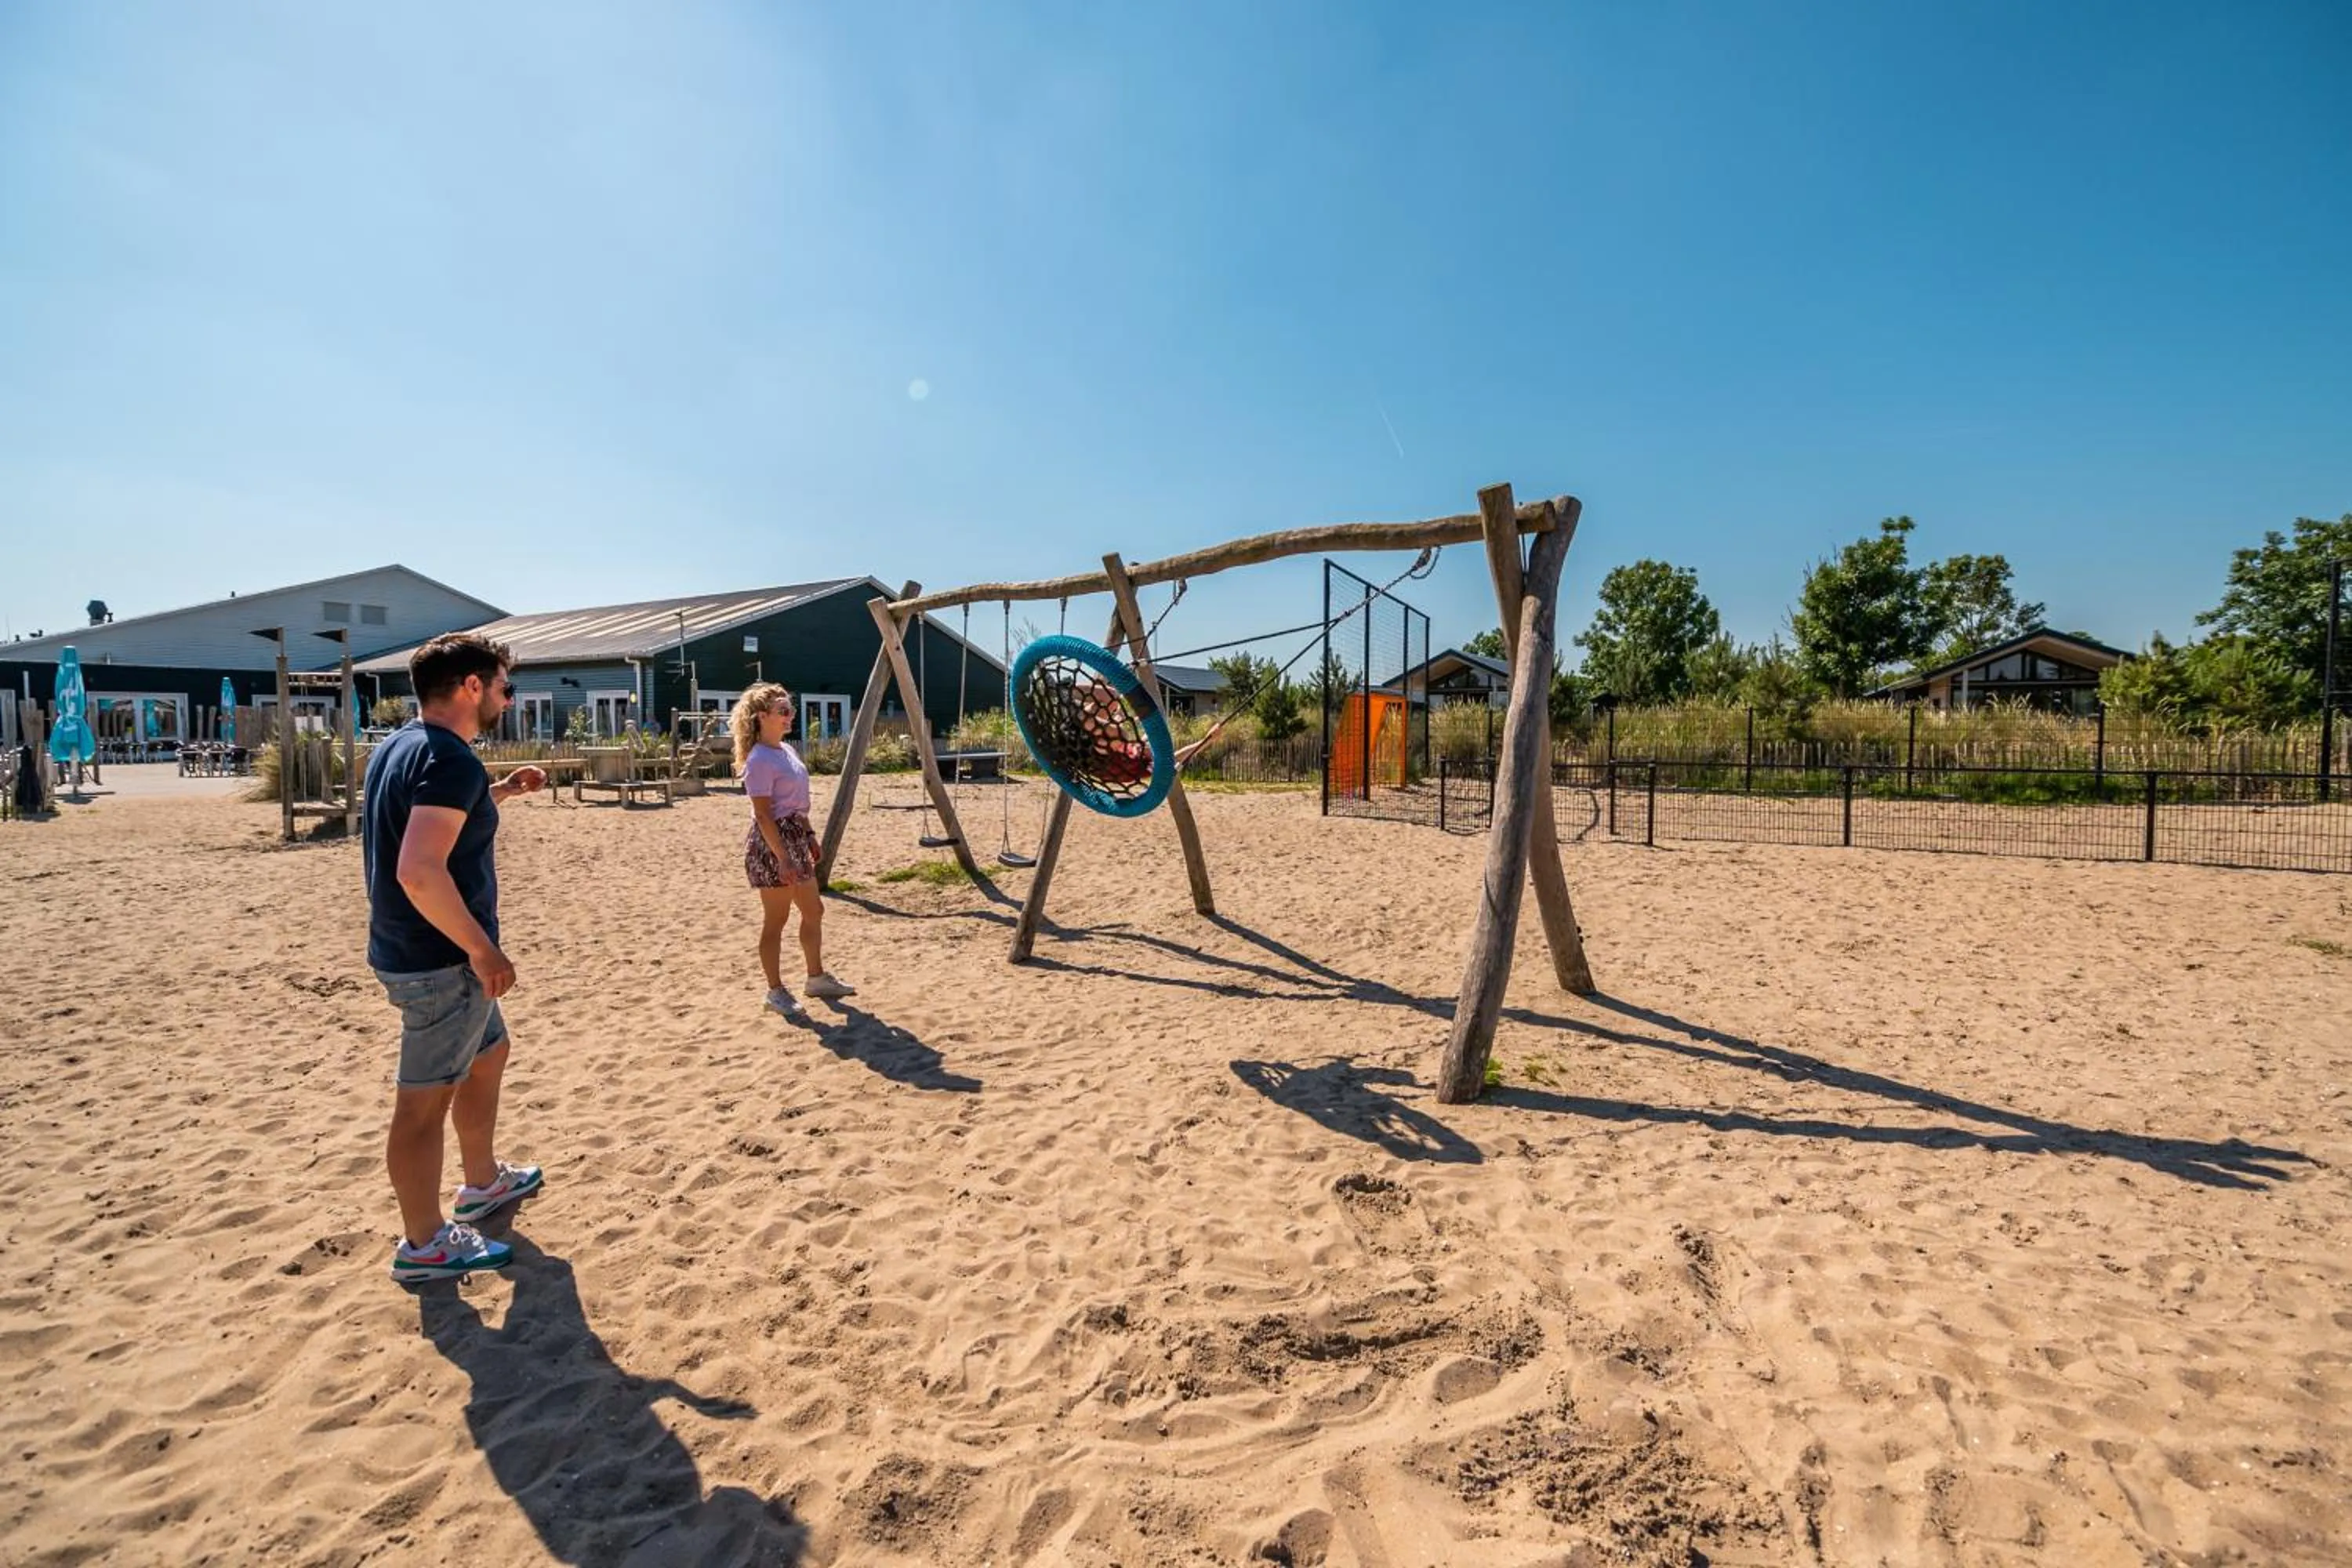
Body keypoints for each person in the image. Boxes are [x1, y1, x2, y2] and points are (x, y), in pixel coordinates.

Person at [364, 633, 548, 1284]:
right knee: (421, 1105)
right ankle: (424, 1244)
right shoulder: (449, 760)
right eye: (504, 686)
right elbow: (419, 870)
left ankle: (481, 1184)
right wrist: (481, 947)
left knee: (489, 1054)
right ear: (472, 686)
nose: (507, 698)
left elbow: (428, 822)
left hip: (417, 953)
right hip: (440, 961)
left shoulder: (404, 746)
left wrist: (498, 793)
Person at [729, 683, 855, 1015]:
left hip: (796, 836)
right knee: (777, 920)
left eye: (791, 710)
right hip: (772, 843)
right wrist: (782, 857)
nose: (790, 717)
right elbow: (763, 814)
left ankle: (816, 978)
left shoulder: (786, 750)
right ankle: (775, 991)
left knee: (814, 910)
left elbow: (796, 804)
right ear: (762, 717)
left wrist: (810, 835)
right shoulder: (759, 759)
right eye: (783, 711)